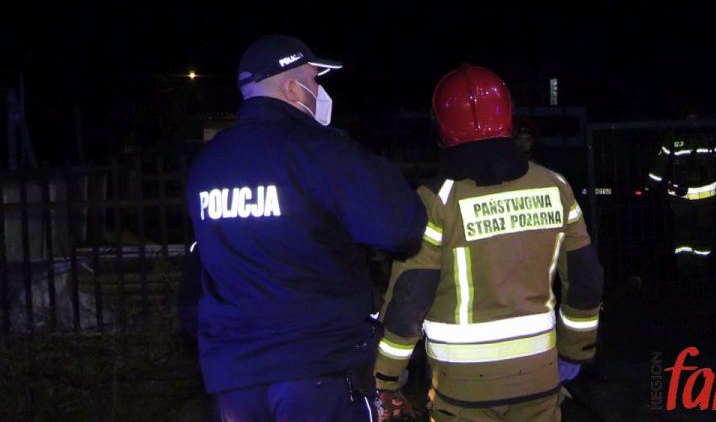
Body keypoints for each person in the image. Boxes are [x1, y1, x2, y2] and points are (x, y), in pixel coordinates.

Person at [186, 34, 427, 422]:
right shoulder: (322, 151)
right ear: (292, 87)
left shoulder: (207, 163)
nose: (319, 90)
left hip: (234, 379)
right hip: (317, 372)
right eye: (315, 80)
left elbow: (199, 268)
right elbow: (400, 228)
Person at [373, 64, 604, 422]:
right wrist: (576, 352)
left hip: (463, 389)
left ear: (442, 126)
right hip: (541, 377)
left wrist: (387, 375)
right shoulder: (555, 186)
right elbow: (586, 279)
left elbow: (409, 298)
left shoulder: (436, 200)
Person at [647, 112, 716, 277]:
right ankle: (697, 270)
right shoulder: (710, 137)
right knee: (697, 235)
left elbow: (658, 167)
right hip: (699, 199)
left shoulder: (674, 137)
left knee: (686, 235)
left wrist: (650, 188)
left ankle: (688, 270)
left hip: (685, 199)